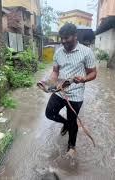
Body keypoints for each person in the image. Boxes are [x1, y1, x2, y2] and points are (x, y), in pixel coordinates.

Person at [45, 23, 97, 155]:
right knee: (49, 113)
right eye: (61, 38)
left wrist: (84, 79)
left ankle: (71, 147)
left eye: (66, 38)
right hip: (60, 92)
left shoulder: (86, 52)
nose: (63, 41)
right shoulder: (58, 52)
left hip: (76, 95)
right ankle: (66, 123)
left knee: (73, 121)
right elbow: (55, 71)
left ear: (75, 36)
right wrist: (51, 82)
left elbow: (93, 73)